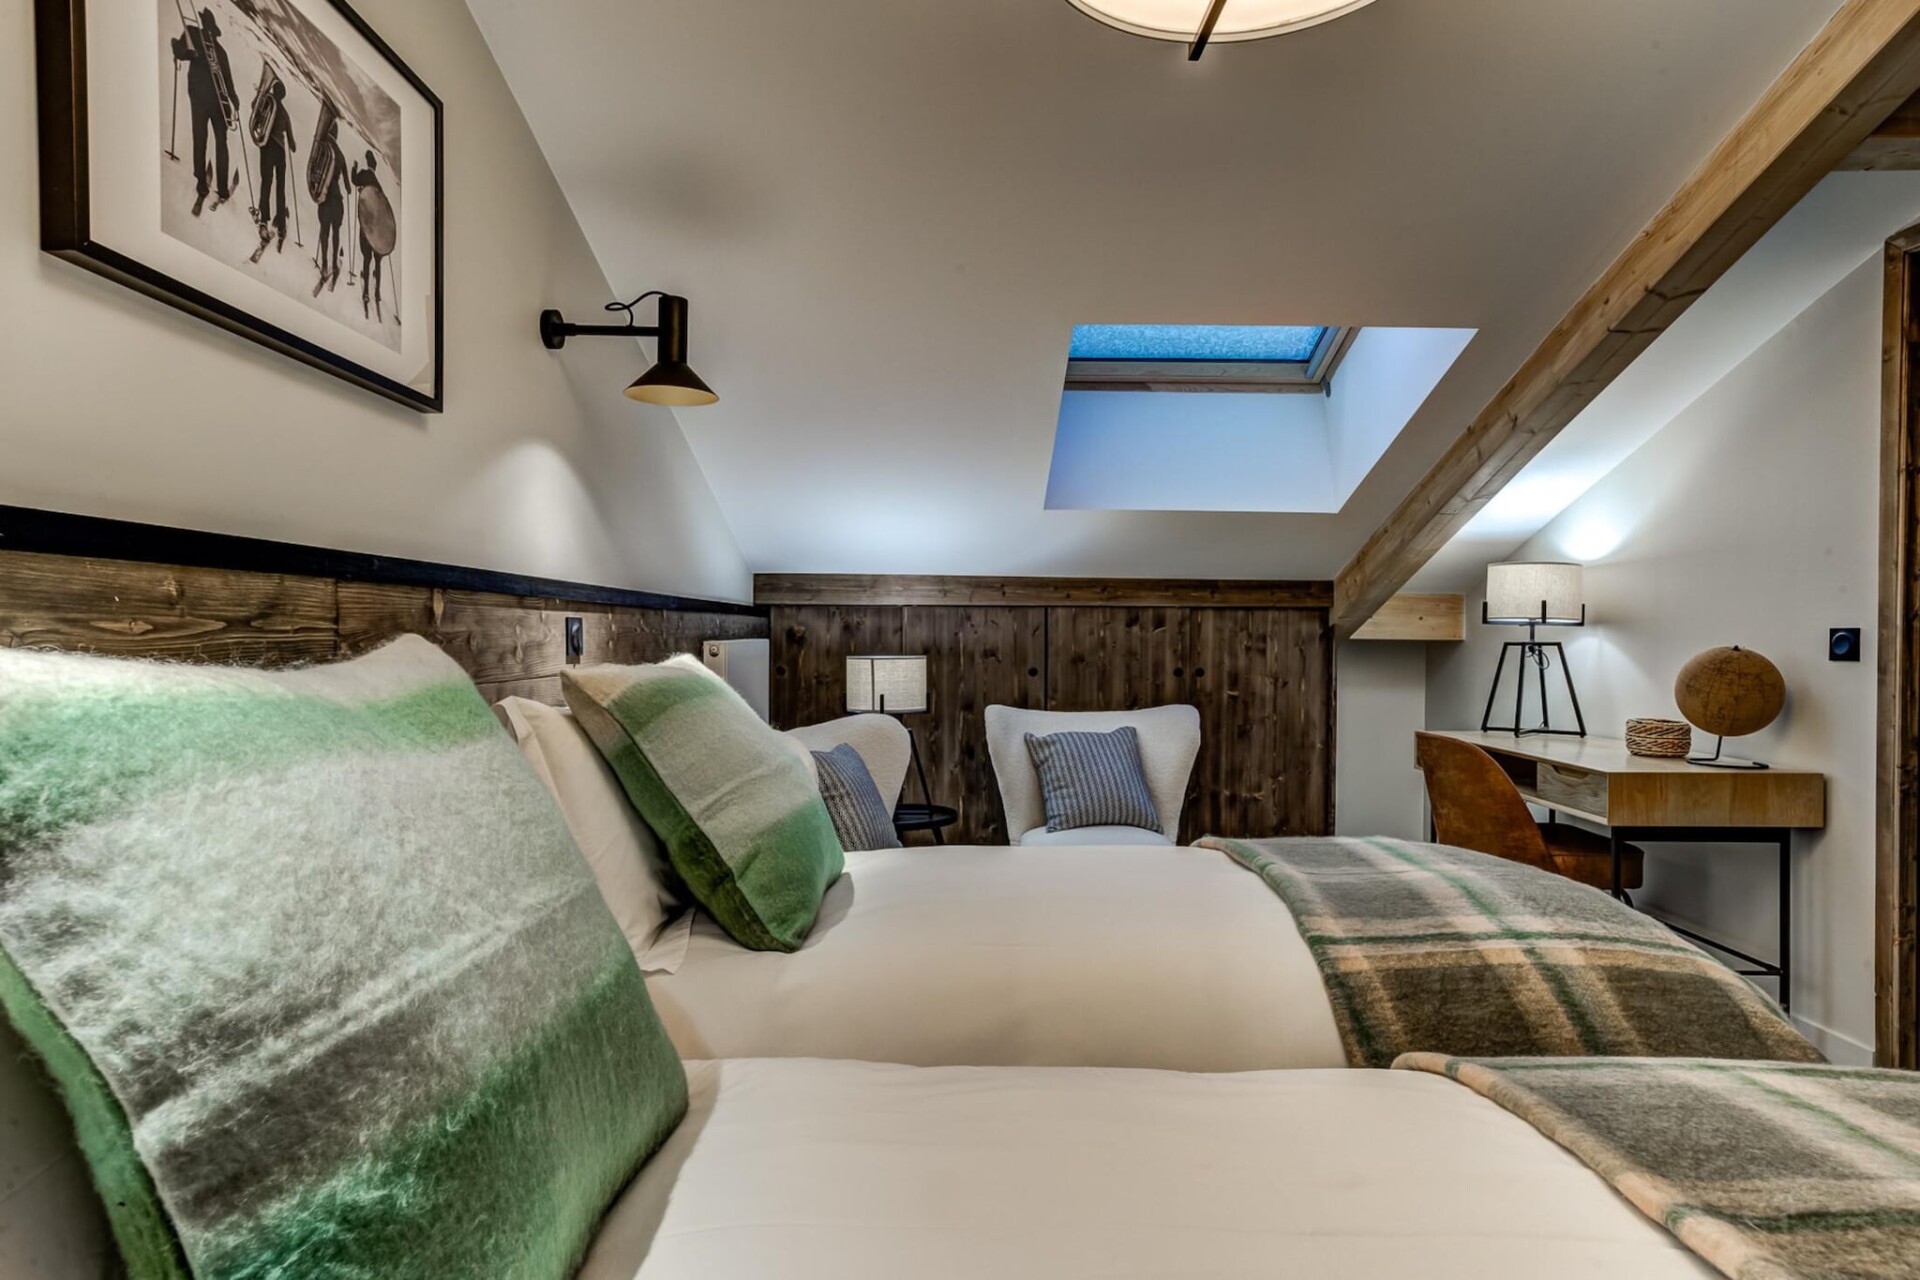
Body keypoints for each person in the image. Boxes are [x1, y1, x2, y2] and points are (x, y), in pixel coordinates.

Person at [171, 9, 235, 218]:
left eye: (211, 31)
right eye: (207, 28)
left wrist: (233, 100)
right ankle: (202, 181)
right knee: (202, 139)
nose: (209, 33)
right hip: (200, 100)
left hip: (215, 104)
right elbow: (180, 51)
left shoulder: (221, 51)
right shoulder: (193, 34)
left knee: (218, 142)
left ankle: (221, 187)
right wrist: (182, 50)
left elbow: (227, 80)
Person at [252, 79, 297, 260]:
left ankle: (264, 220)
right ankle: (282, 227)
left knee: (266, 183)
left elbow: (254, 110)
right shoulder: (285, 113)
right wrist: (289, 141)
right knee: (280, 188)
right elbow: (292, 144)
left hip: (268, 147)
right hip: (280, 152)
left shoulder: (267, 102)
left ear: (273, 90)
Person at [351, 152, 389, 321]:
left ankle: (366, 291)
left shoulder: (365, 175)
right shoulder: (379, 186)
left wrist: (354, 168)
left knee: (366, 260)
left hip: (366, 228)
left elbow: (354, 180)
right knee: (377, 262)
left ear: (368, 164)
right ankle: (377, 292)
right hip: (378, 231)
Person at [312, 131, 348, 297]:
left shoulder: (323, 146)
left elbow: (314, 169)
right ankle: (334, 264)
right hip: (337, 200)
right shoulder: (341, 155)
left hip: (325, 198)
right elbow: (348, 187)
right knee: (336, 233)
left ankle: (325, 266)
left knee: (324, 231)